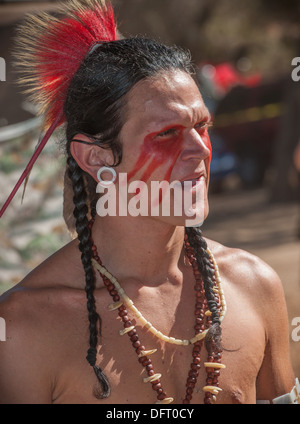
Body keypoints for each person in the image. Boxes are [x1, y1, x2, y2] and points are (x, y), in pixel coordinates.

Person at [0, 0, 297, 404]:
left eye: (202, 126)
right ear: (97, 158)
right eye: (167, 133)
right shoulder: (23, 329)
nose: (200, 151)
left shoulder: (254, 286)